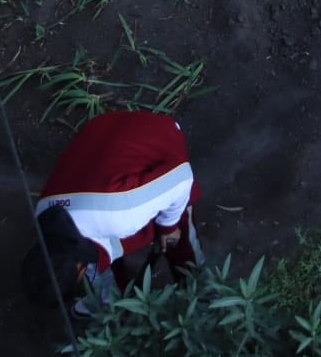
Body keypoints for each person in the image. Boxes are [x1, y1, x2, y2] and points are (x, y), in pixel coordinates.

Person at [19, 111, 203, 318]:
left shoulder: (123, 215)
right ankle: (110, 300)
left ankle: (199, 291)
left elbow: (181, 177)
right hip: (101, 132)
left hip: (157, 136)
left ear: (80, 272)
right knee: (100, 256)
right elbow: (91, 255)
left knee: (175, 225)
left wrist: (168, 227)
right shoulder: (44, 216)